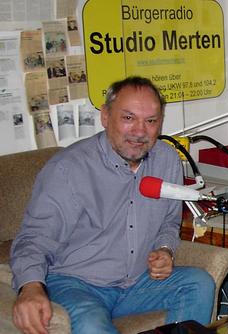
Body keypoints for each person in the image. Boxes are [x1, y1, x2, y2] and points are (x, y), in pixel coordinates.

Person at [10, 76, 216, 334]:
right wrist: (29, 286)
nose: (140, 132)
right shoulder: (68, 168)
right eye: (128, 118)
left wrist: (165, 250)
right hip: (76, 283)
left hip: (138, 283)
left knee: (199, 284)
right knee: (91, 324)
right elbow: (34, 238)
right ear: (105, 117)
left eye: (151, 121)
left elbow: (169, 221)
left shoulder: (166, 160)